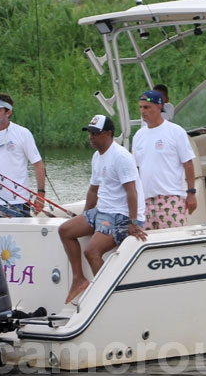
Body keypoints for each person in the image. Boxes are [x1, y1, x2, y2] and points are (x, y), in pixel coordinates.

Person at [58, 114, 146, 304]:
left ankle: (108, 296)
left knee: (91, 251)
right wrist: (85, 215)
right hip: (102, 211)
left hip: (121, 215)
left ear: (108, 134)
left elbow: (132, 192)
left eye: (95, 133)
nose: (91, 136)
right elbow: (93, 190)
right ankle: (79, 279)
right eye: (89, 132)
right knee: (65, 230)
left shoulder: (121, 156)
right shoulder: (97, 156)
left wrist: (133, 222)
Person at [133, 90, 196, 229]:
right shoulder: (138, 136)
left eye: (147, 107)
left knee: (175, 241)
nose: (143, 111)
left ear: (159, 107)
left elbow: (188, 164)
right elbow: (136, 170)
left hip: (171, 198)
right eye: (141, 107)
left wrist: (191, 193)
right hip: (146, 201)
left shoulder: (176, 131)